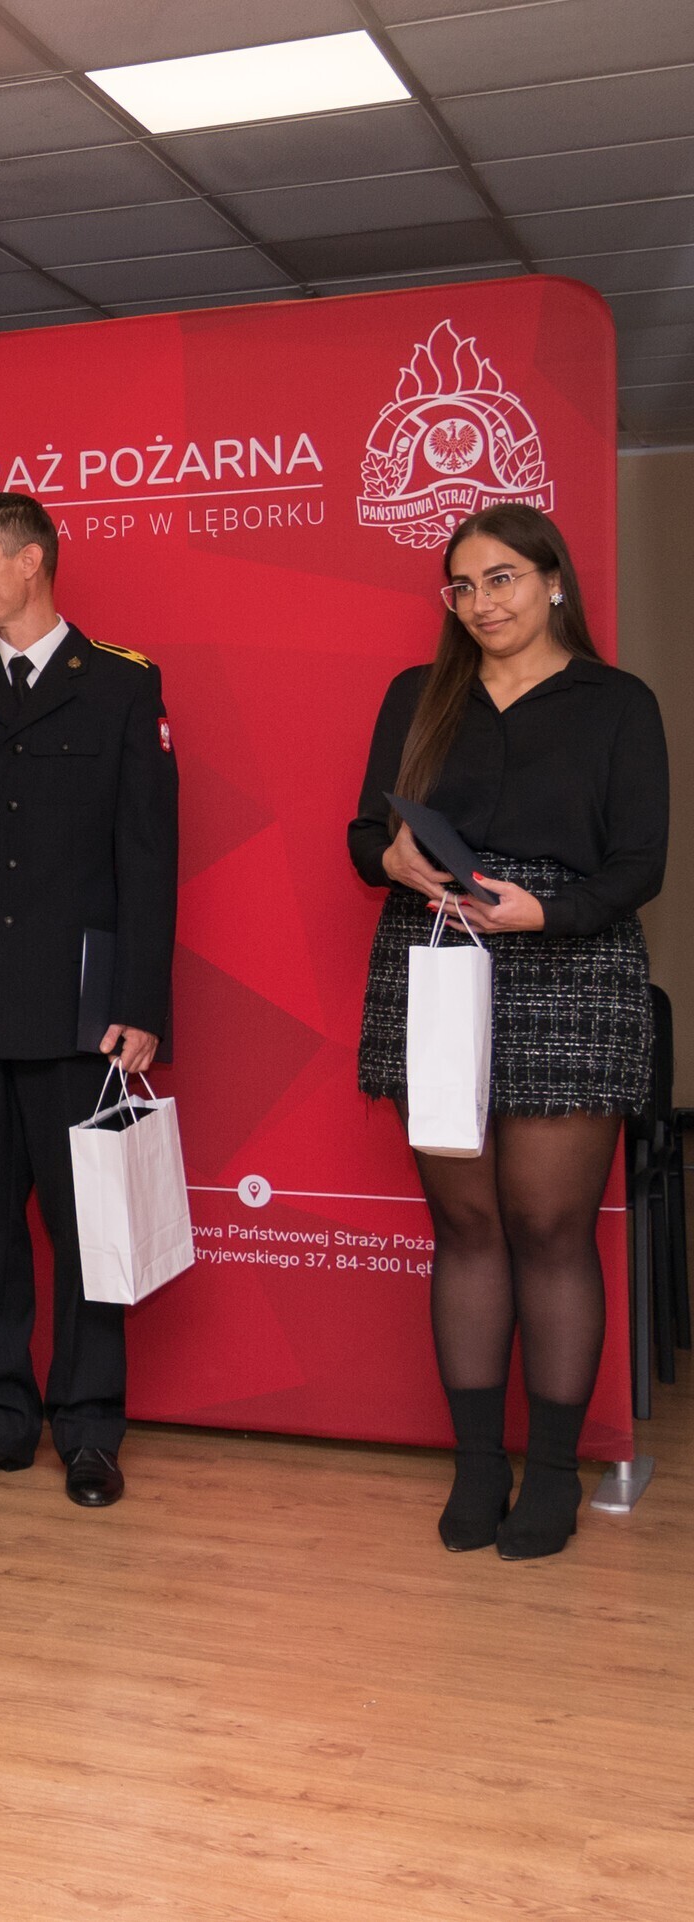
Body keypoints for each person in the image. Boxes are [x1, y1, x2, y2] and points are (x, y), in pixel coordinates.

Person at [348, 504, 666, 1561]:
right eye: (463, 586)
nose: (482, 602)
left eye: (502, 578)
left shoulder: (618, 703)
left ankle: (555, 1473)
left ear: (552, 581)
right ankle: (479, 1463)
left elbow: (642, 864)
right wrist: (390, 859)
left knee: (548, 1227)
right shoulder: (418, 694)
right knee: (468, 1225)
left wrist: (547, 912)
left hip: (570, 962)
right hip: (437, 955)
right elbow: (364, 834)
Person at [0, 492, 178, 1509]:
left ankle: (89, 1429)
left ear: (30, 561)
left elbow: (148, 859)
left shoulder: (121, 685)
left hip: (80, 1010)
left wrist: (141, 1003)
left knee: (87, 1222)